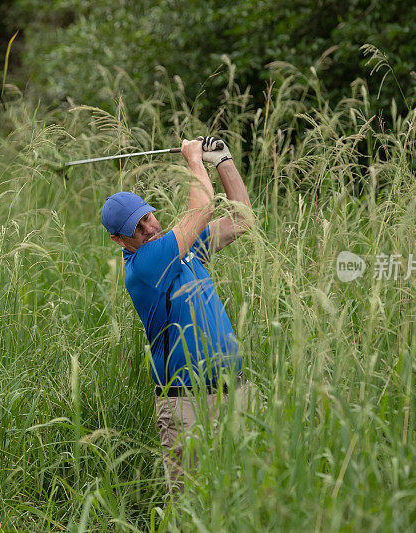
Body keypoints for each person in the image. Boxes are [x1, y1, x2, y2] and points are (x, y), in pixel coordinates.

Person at [100, 136, 255, 496]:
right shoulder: (145, 266)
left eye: (147, 218)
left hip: (236, 392)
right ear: (119, 241)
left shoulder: (183, 250)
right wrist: (193, 159)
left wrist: (222, 160)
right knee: (193, 508)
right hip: (187, 405)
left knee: (245, 502)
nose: (148, 229)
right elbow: (201, 209)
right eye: (135, 230)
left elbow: (242, 219)